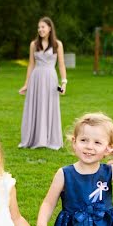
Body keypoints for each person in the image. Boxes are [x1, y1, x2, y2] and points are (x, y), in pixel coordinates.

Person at [18, 17, 67, 149]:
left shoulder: (58, 44)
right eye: (39, 27)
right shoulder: (34, 44)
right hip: (36, 78)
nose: (40, 30)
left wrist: (64, 82)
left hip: (51, 78)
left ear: (50, 28)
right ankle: (34, 138)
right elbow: (31, 65)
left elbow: (61, 64)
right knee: (36, 106)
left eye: (43, 27)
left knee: (49, 106)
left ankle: (49, 139)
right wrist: (26, 84)